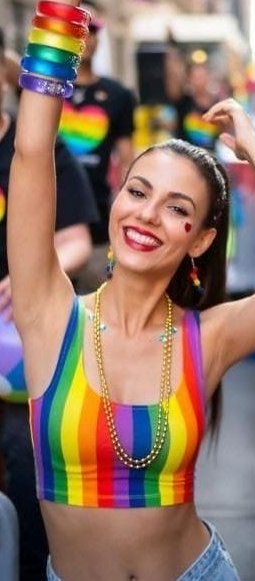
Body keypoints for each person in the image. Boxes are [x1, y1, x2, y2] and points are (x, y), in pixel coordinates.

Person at [7, 0, 255, 580]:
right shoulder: (50, 314)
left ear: (200, 239)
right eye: (137, 190)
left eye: (177, 207)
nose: (146, 213)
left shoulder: (206, 338)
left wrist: (253, 146)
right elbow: (33, 147)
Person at [0, 31, 99, 580]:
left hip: (18, 346)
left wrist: (32, 269)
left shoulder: (45, 150)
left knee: (30, 450)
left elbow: (77, 239)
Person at [58, 0, 136, 292]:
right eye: (76, 27)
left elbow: (128, 160)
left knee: (94, 312)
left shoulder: (119, 95)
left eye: (92, 28)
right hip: (50, 221)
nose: (85, 36)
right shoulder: (48, 89)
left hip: (99, 222)